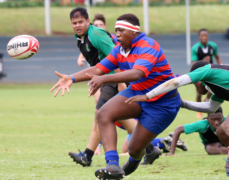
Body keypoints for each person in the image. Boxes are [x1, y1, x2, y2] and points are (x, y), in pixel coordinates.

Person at [50, 13, 181, 179]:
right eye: (116, 30)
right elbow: (98, 69)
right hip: (137, 93)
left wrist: (104, 78)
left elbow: (136, 73)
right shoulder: (119, 50)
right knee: (103, 113)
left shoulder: (148, 45)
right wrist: (72, 78)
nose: (117, 34)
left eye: (121, 30)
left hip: (162, 103)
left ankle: (133, 162)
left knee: (133, 150)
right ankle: (112, 164)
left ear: (134, 32)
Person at [125, 61, 229, 179]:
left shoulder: (205, 71)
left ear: (199, 75)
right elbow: (211, 107)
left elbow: (176, 82)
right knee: (222, 132)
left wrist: (148, 95)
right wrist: (183, 104)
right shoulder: (216, 86)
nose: (196, 87)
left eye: (195, 83)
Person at [65, 7, 138, 167]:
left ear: (87, 21)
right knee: (116, 116)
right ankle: (150, 147)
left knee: (101, 114)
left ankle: (88, 156)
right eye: (74, 23)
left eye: (80, 22)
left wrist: (120, 83)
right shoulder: (80, 37)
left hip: (113, 77)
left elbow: (117, 55)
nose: (77, 25)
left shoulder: (96, 34)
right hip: (106, 78)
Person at [191, 29, 222, 119]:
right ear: (199, 37)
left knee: (212, 89)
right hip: (199, 73)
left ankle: (207, 99)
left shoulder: (213, 46)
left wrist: (221, 67)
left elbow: (217, 57)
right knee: (199, 93)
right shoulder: (195, 48)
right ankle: (199, 110)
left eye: (206, 36)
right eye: (202, 36)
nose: (204, 37)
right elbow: (194, 63)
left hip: (210, 72)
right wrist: (203, 62)